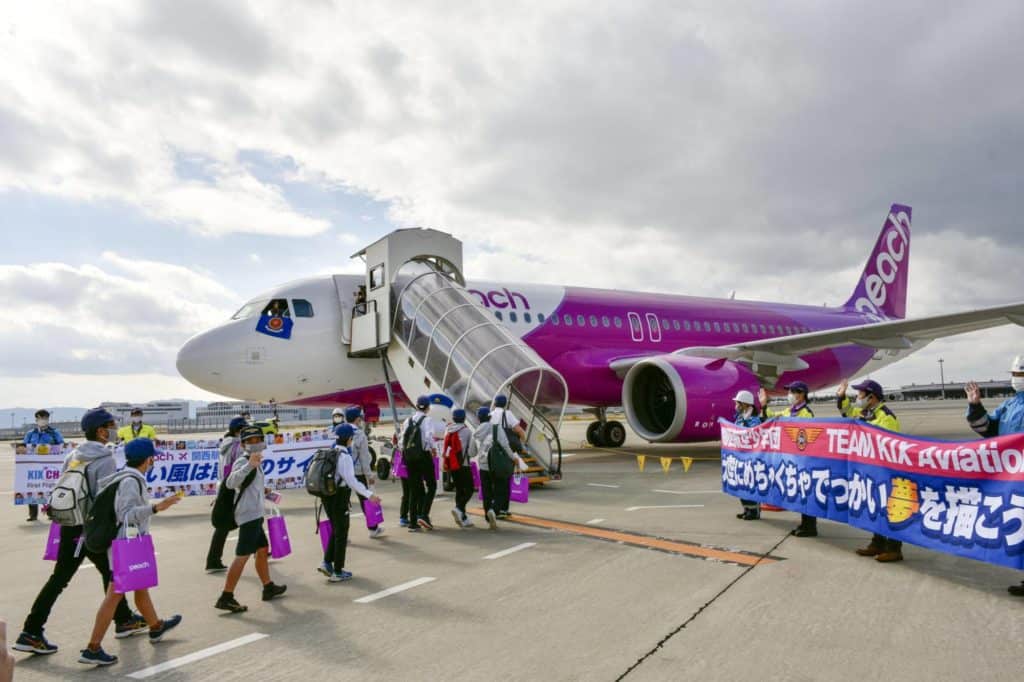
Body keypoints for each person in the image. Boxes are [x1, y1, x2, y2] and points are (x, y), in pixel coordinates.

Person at [14, 408, 146, 656]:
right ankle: (31, 631)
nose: (114, 428)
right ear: (100, 430)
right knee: (70, 578)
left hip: (69, 524)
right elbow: (104, 499)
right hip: (88, 529)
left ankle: (125, 619)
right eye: (111, 424)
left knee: (106, 574)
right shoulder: (105, 459)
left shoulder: (73, 454)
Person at [79, 439, 182, 666]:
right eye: (152, 457)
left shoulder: (126, 476)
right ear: (147, 459)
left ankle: (155, 627)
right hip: (127, 545)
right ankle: (92, 647)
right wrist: (156, 507)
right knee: (114, 595)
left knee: (141, 586)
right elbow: (126, 513)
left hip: (133, 542)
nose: (154, 460)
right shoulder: (130, 481)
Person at [965, 355, 1024, 594]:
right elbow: (987, 429)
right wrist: (975, 405)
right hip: (1014, 480)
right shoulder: (1010, 405)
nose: (1016, 380)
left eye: (1020, 375)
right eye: (1015, 375)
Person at [215, 426, 287, 613]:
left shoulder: (256, 461)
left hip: (255, 513)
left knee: (262, 549)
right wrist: (249, 465)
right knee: (242, 556)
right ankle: (226, 596)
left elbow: (247, 486)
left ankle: (268, 586)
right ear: (243, 444)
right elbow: (231, 482)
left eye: (257, 440)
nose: (255, 444)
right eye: (250, 441)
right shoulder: (244, 460)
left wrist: (263, 492)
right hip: (248, 516)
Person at [837, 379, 903, 562]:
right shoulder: (864, 412)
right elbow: (846, 411)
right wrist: (841, 396)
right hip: (868, 468)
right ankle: (877, 543)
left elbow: (890, 445)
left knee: (888, 509)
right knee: (874, 506)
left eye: (860, 394)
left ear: (872, 397)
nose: (858, 397)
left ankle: (894, 548)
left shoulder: (886, 416)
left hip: (885, 469)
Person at [318, 424, 381, 582]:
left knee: (336, 529)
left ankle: (327, 563)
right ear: (349, 439)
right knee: (342, 532)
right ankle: (338, 571)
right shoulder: (344, 456)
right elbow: (352, 481)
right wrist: (369, 494)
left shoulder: (332, 451)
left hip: (327, 496)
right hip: (338, 497)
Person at [758, 381, 817, 536]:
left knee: (805, 493)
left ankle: (810, 526)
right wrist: (764, 406)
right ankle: (804, 524)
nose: (789, 395)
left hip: (803, 459)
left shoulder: (806, 414)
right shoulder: (789, 411)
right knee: (799, 493)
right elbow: (772, 418)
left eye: (792, 392)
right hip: (792, 459)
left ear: (801, 394)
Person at [470, 406, 525, 529]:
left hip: (483, 468)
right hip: (496, 466)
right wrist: (513, 458)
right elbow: (505, 446)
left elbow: (471, 453)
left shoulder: (476, 432)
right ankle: (494, 511)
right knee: (501, 489)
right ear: (489, 417)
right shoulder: (497, 428)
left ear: (478, 419)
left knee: (487, 492)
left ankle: (488, 515)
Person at [205, 416, 247, 573]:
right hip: (234, 487)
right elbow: (241, 469)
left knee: (225, 526)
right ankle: (261, 549)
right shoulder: (238, 446)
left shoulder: (225, 443)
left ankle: (213, 560)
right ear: (239, 430)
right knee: (250, 519)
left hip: (223, 486)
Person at [401, 396, 439, 531]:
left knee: (414, 489)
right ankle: (424, 514)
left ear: (416, 406)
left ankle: (413, 523)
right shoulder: (427, 420)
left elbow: (402, 441)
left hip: (410, 457)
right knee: (432, 486)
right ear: (428, 407)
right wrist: (433, 449)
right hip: (423, 456)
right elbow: (429, 437)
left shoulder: (408, 420)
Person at [345, 407, 383, 539]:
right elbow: (364, 457)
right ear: (357, 419)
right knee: (365, 500)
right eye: (360, 418)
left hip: (342, 473)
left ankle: (342, 535)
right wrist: (369, 475)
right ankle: (373, 529)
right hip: (357, 473)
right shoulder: (360, 434)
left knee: (343, 504)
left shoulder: (340, 431)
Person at [22, 409, 64, 522]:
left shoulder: (54, 433)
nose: (42, 420)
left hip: (49, 466)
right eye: (40, 418)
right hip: (33, 466)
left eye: (45, 418)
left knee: (50, 489)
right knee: (32, 488)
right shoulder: (31, 434)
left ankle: (51, 513)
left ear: (48, 419)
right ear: (36, 419)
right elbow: (23, 447)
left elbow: (62, 446)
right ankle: (33, 514)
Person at [732, 390, 763, 521]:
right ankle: (746, 508)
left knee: (750, 482)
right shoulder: (740, 416)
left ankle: (754, 510)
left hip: (751, 456)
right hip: (740, 455)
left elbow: (754, 433)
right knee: (741, 483)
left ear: (744, 404)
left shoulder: (755, 418)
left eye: (738, 403)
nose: (736, 406)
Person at [445, 408, 475, 528]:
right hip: (464, 465)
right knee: (469, 489)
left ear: (453, 418)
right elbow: (472, 452)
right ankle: (459, 509)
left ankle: (463, 517)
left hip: (452, 464)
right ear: (464, 418)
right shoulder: (467, 431)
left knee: (459, 490)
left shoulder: (448, 429)